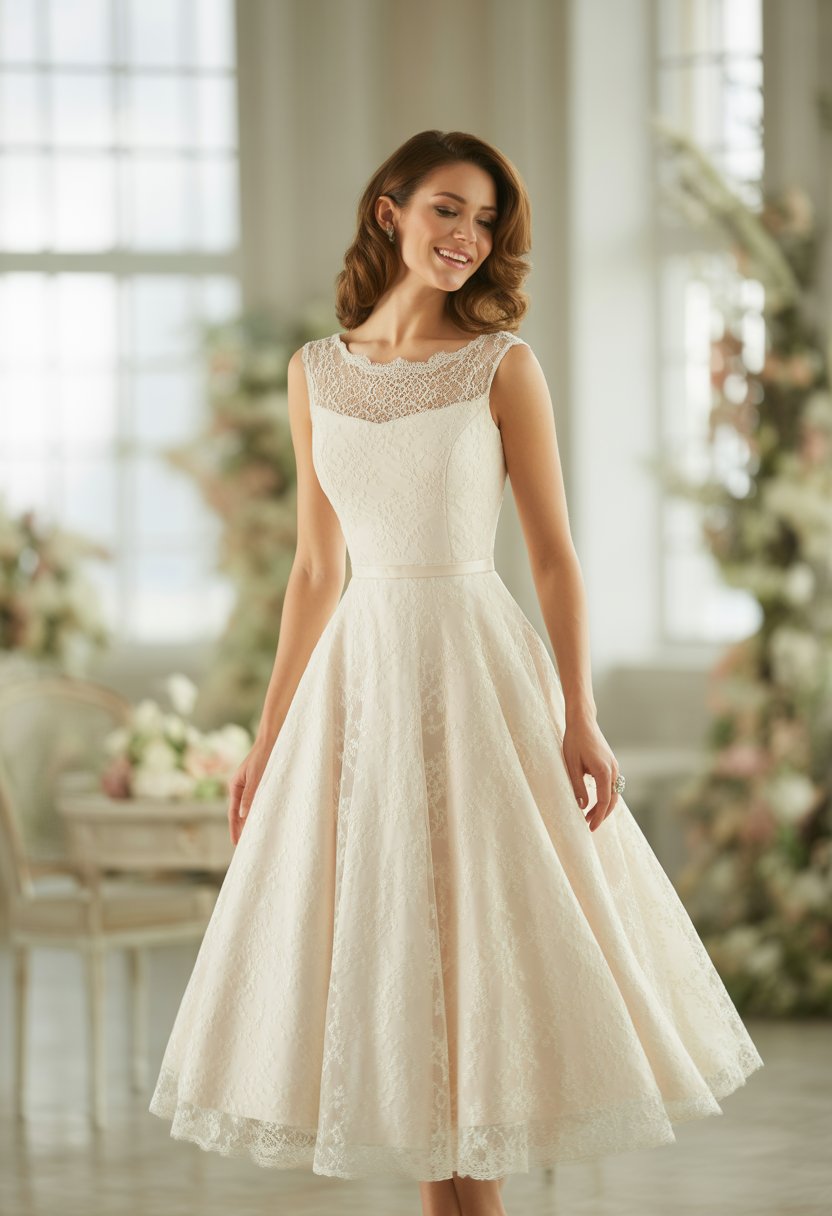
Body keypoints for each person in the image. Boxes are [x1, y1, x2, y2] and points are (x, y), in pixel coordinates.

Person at [148, 130, 764, 1216]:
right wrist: (268, 732)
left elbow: (556, 559)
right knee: (391, 952)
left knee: (477, 946)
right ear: (388, 210)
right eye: (447, 210)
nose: (467, 239)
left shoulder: (501, 365)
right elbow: (312, 570)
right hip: (362, 680)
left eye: (484, 222)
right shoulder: (313, 373)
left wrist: (581, 715)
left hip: (477, 672)